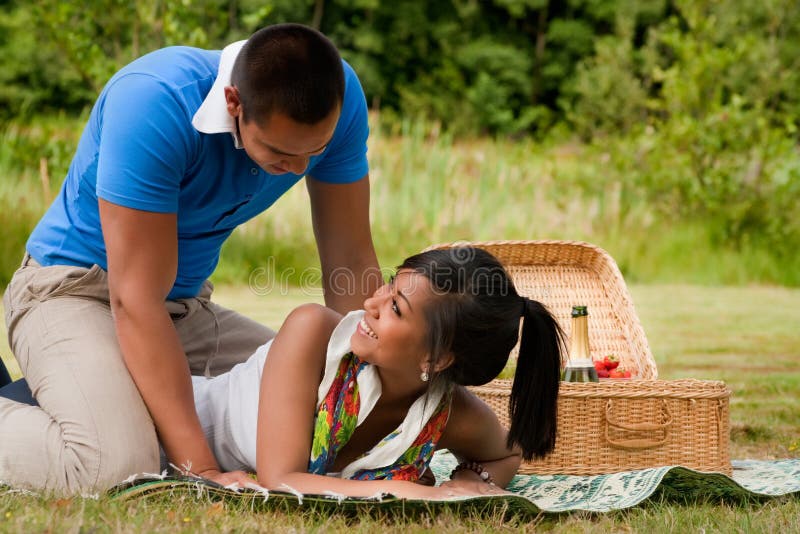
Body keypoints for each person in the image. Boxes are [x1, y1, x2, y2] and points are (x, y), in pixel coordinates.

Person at [0, 23, 381, 493]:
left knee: (319, 406)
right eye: (281, 154)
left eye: (315, 152)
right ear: (234, 103)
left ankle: (72, 400)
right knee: (115, 467)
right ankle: (84, 409)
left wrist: (373, 377)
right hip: (71, 293)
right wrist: (199, 469)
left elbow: (350, 257)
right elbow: (135, 300)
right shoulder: (154, 101)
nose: (300, 169)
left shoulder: (340, 97)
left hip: (183, 309)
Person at [188, 246, 563, 498]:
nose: (371, 302)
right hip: (163, 428)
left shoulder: (447, 413)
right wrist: (415, 492)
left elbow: (506, 455)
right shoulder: (314, 332)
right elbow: (280, 479)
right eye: (389, 285)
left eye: (395, 308)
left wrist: (465, 482)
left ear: (436, 360)